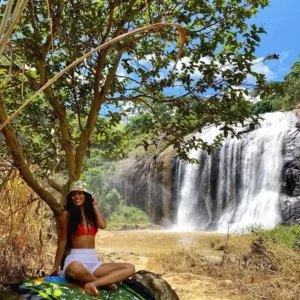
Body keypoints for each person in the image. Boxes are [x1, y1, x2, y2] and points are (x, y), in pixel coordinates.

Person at [48, 181, 135, 297]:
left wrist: (94, 206)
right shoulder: (67, 214)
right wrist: (55, 266)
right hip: (76, 260)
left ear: (86, 195)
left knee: (130, 268)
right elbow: (62, 241)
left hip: (93, 262)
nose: (76, 197)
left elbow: (103, 225)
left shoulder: (92, 214)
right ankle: (103, 283)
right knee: (75, 267)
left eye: (80, 193)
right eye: (73, 194)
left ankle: (93, 283)